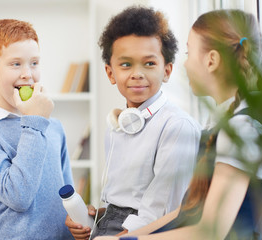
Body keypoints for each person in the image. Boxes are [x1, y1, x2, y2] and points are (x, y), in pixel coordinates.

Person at [94, 9, 262, 240]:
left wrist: (131, 239)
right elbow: (186, 210)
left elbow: (211, 232)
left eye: (189, 53)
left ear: (211, 60)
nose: (185, 64)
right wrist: (120, 239)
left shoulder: (241, 128)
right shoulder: (225, 124)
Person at [66, 6, 201, 240]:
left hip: (146, 232)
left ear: (167, 70)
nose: (137, 73)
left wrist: (113, 237)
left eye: (149, 64)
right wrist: (93, 219)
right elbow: (122, 201)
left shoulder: (177, 126)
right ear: (110, 73)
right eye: (126, 64)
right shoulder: (117, 125)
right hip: (112, 226)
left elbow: (160, 210)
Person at [0, 19, 74, 239]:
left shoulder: (52, 125)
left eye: (34, 63)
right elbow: (18, 195)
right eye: (15, 64)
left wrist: (78, 219)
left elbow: (68, 195)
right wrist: (34, 120)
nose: (27, 74)